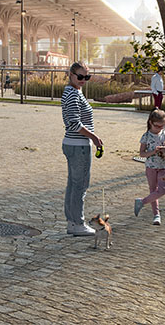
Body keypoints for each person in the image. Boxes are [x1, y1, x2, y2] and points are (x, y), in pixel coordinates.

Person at [62, 61, 103, 236]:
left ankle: (72, 221)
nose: (83, 80)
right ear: (71, 74)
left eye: (86, 77)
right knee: (80, 185)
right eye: (80, 76)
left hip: (74, 144)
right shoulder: (72, 94)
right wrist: (94, 137)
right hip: (78, 145)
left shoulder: (74, 91)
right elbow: (74, 123)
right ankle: (77, 222)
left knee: (73, 184)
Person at [134, 109, 165, 225]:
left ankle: (141, 202)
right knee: (153, 190)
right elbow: (142, 153)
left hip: (163, 166)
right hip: (151, 167)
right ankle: (156, 215)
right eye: (157, 126)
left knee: (163, 190)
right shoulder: (146, 136)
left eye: (162, 126)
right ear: (151, 123)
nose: (160, 129)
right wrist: (152, 151)